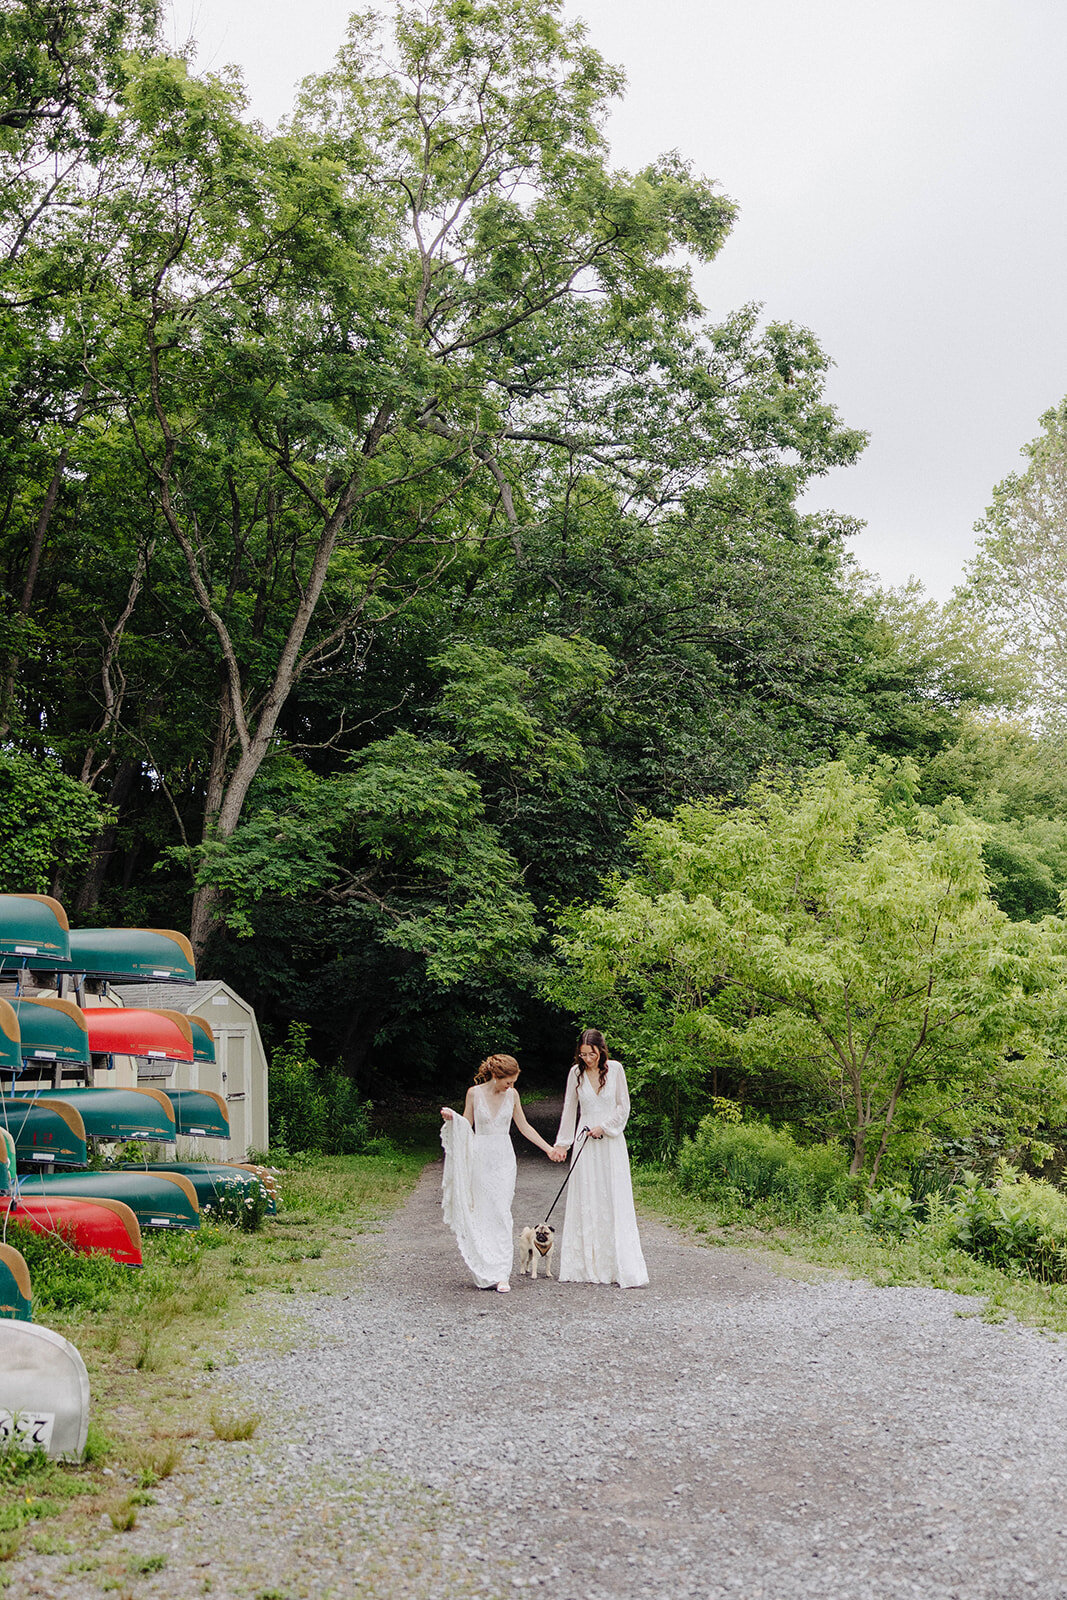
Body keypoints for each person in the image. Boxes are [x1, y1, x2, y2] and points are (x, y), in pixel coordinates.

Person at [440, 1053, 563, 1292]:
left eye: (514, 1082)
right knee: (483, 1213)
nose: (511, 1086)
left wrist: (548, 1148)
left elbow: (524, 1126)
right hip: (480, 1157)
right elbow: (466, 1126)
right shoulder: (474, 1093)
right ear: (496, 1076)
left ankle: (502, 1272)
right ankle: (486, 1268)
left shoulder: (513, 1095)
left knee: (502, 1211)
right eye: (508, 1081)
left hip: (504, 1159)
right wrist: (452, 1118)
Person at [551, 1029, 648, 1288]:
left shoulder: (615, 1070)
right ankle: (584, 1266)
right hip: (585, 1140)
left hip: (610, 1142)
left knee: (612, 1197)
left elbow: (623, 1105)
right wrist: (563, 1144)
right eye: (582, 1054)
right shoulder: (576, 1073)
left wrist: (604, 1127)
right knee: (586, 1197)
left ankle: (616, 1266)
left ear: (600, 1050)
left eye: (591, 1053)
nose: (587, 1059)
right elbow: (569, 1108)